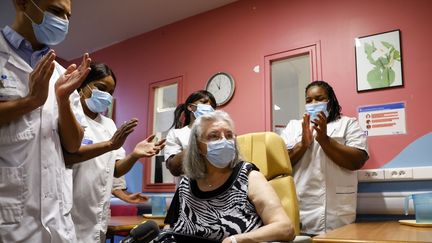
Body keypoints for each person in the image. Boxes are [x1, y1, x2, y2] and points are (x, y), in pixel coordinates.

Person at [0, 0, 91, 242]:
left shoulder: (61, 74)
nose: (63, 21)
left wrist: (62, 99)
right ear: (22, 3)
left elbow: (73, 146)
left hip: (58, 221)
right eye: (55, 10)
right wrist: (29, 102)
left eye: (68, 16)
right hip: (9, 221)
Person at [63, 62, 165, 243]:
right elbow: (68, 155)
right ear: (82, 84)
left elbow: (116, 169)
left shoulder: (109, 124)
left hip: (96, 213)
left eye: (110, 93)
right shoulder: (68, 113)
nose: (106, 96)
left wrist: (134, 155)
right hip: (68, 208)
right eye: (101, 88)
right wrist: (110, 144)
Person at [162, 111, 295, 243]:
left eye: (229, 135)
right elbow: (170, 228)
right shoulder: (186, 184)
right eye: (214, 136)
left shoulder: (249, 177)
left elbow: (285, 228)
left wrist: (236, 240)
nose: (224, 141)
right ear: (198, 146)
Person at [280, 80, 369, 235]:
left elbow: (357, 160)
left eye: (319, 99)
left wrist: (324, 140)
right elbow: (282, 164)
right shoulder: (294, 127)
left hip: (337, 214)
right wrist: (302, 144)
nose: (313, 103)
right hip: (302, 211)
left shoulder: (348, 124)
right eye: (309, 100)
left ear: (331, 101)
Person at [164, 90, 216, 180]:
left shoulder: (218, 133)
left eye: (212, 106)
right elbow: (173, 168)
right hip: (188, 191)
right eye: (204, 102)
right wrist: (198, 146)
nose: (209, 107)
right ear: (190, 107)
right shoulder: (176, 134)